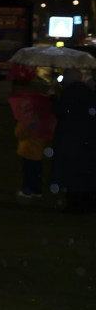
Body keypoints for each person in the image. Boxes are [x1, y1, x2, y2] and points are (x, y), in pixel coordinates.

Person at [52, 69, 96, 213]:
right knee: (86, 172)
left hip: (71, 139)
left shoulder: (69, 93)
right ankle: (88, 202)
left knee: (71, 173)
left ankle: (74, 205)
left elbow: (61, 112)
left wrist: (52, 98)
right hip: (88, 139)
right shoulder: (89, 92)